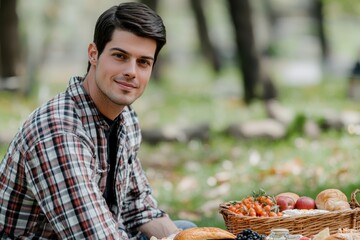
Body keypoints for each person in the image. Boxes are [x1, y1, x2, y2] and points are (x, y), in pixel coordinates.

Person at [0, 2, 196, 239]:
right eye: (120, 56)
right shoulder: (58, 133)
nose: (132, 71)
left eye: (143, 62)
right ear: (94, 54)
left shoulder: (125, 118)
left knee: (186, 230)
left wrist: (181, 237)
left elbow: (138, 207)